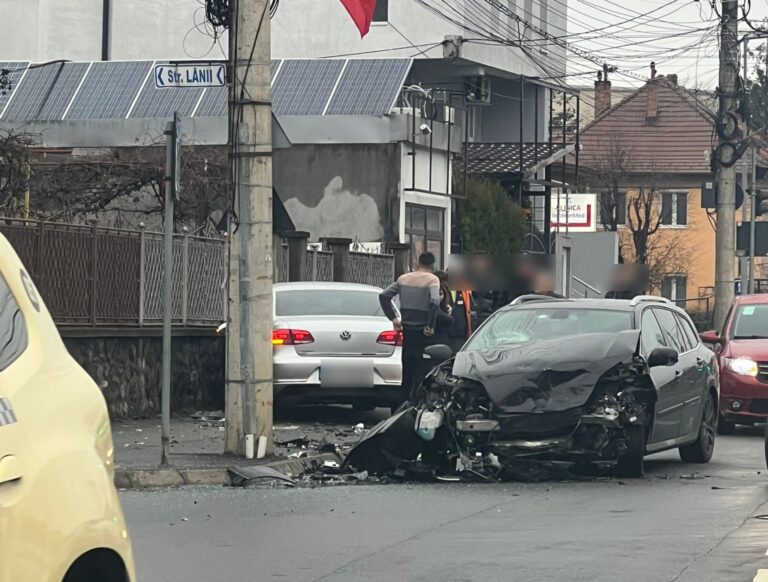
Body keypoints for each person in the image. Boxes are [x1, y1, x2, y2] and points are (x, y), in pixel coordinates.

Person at [379, 252, 441, 402]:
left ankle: (403, 403)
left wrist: (393, 318)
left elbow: (384, 295)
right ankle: (418, 402)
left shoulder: (403, 279)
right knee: (423, 371)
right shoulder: (433, 280)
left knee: (407, 370)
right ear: (432, 265)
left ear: (418, 262)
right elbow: (434, 301)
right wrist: (430, 325)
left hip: (407, 330)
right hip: (424, 333)